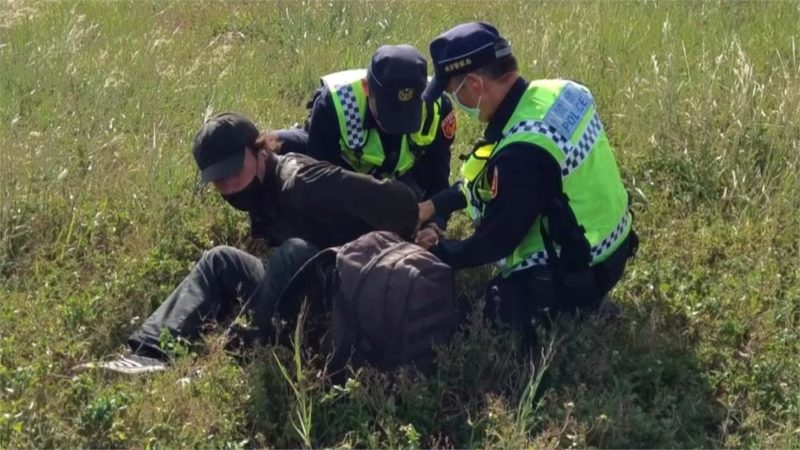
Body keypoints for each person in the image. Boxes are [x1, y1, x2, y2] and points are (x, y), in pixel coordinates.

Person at [76, 112, 418, 374]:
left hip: (346, 293)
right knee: (221, 259)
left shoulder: (303, 182)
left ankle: (244, 351)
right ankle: (149, 354)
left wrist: (418, 229)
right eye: (218, 180)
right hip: (303, 290)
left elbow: (399, 203)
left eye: (233, 171)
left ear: (260, 150)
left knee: (294, 252)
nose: (227, 186)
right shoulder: (260, 190)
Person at [416, 22, 639, 339]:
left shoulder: (524, 153)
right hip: (615, 244)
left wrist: (439, 253)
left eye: (454, 91)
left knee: (485, 320)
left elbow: (494, 242)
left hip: (583, 270)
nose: (456, 101)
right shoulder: (560, 92)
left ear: (476, 85)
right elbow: (481, 180)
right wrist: (431, 206)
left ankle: (582, 304)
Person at [267, 45, 457, 227]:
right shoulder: (334, 103)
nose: (397, 127)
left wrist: (434, 225)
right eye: (389, 114)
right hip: (344, 171)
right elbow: (321, 183)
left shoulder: (436, 107)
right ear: (367, 89)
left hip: (400, 174)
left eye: (407, 115)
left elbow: (438, 178)